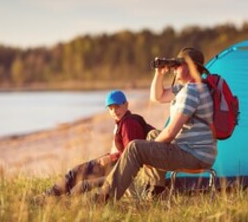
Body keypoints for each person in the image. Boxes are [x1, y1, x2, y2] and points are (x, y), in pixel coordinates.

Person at [99, 47, 216, 200]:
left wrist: (147, 151)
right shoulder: (188, 87)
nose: (174, 69)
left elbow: (170, 134)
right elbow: (157, 97)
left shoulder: (192, 92)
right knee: (152, 134)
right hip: (193, 150)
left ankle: (104, 198)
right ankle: (154, 192)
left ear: (191, 67)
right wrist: (159, 73)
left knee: (135, 148)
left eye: (178, 65)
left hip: (194, 155)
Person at [45, 90, 154, 196]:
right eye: (111, 108)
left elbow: (130, 152)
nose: (114, 111)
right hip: (115, 162)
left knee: (77, 174)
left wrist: (110, 158)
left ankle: (51, 196)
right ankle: (55, 195)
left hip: (116, 165)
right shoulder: (124, 121)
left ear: (126, 105)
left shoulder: (128, 124)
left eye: (117, 107)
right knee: (78, 175)